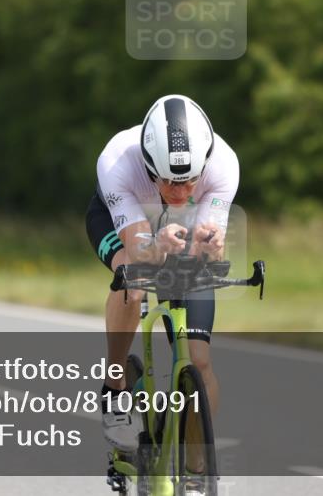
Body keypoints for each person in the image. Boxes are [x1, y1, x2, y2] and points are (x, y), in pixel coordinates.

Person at [84, 94, 239, 453]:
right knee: (133, 280)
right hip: (120, 222)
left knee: (199, 363)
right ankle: (115, 384)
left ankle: (198, 471)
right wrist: (156, 246)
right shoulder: (117, 160)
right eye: (169, 182)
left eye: (190, 182)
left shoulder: (224, 164)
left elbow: (209, 242)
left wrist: (211, 244)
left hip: (177, 233)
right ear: (149, 166)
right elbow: (140, 250)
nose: (181, 192)